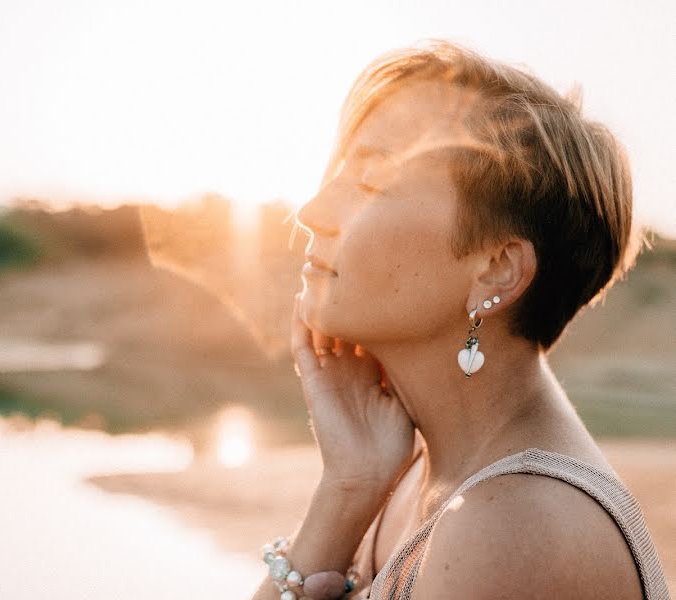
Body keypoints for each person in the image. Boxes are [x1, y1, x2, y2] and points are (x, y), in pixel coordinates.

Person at [251, 41, 669, 600]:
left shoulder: (514, 530)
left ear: (496, 270)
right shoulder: (417, 478)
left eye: (370, 185)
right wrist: (349, 486)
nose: (311, 212)